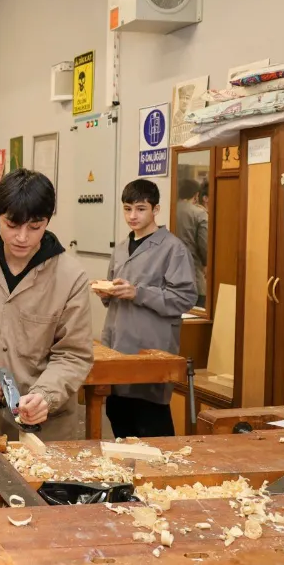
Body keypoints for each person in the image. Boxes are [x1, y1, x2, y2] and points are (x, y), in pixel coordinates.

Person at [0, 169, 93, 444]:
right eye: (12, 225)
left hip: (46, 425)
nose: (23, 237)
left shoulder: (71, 277)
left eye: (35, 227)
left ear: (48, 220)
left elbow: (73, 354)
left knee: (40, 485)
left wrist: (46, 396)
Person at [94, 179, 197, 438]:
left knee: (152, 428)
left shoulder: (173, 249)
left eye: (140, 209)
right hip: (117, 345)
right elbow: (116, 293)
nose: (133, 216)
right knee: (118, 418)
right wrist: (106, 292)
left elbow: (184, 298)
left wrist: (138, 293)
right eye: (127, 209)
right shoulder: (120, 248)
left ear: (156, 209)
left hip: (150, 349)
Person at [176, 178, 208, 308]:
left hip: (170, 278)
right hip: (193, 276)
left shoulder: (170, 208)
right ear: (196, 195)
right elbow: (205, 245)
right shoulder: (199, 213)